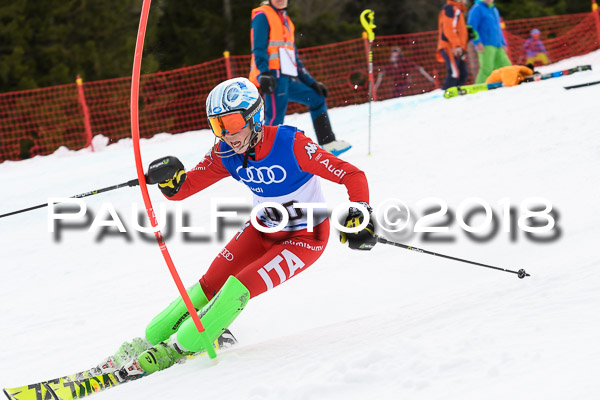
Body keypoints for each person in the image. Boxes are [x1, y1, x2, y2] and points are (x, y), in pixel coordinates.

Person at [109, 77, 376, 379]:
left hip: (304, 238)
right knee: (209, 284)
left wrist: (360, 212)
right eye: (218, 125)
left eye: (234, 122)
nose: (228, 135)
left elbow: (352, 175)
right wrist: (169, 179)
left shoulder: (291, 144)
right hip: (260, 229)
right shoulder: (226, 153)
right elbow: (183, 189)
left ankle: (180, 347)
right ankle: (153, 337)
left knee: (238, 287)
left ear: (255, 115)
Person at [249, 0, 352, 156]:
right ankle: (262, 154)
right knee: (274, 118)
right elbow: (258, 48)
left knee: (316, 97)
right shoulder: (262, 15)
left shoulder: (286, 20)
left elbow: (293, 56)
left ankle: (328, 143)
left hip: (287, 77)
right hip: (273, 77)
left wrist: (311, 82)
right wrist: (264, 73)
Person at [467, 0, 512, 83]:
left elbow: (498, 28)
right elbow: (471, 27)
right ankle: (479, 87)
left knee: (506, 66)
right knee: (487, 69)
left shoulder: (494, 9)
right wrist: (477, 42)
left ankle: (511, 81)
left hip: (498, 44)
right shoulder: (476, 9)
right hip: (485, 44)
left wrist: (503, 43)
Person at [436, 0, 469, 90]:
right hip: (450, 46)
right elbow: (448, 29)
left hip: (460, 47)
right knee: (455, 73)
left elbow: (459, 30)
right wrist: (456, 45)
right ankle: (445, 93)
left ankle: (459, 92)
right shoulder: (450, 8)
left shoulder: (459, 10)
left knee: (463, 73)